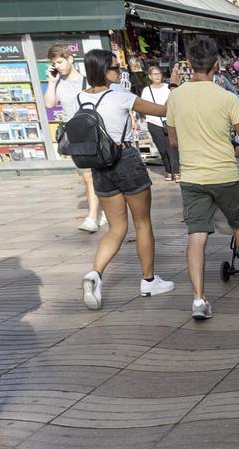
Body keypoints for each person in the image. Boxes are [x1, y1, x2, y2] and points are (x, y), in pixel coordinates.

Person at [166, 37, 239, 320]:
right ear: (216, 65)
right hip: (226, 175)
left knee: (196, 236)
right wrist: (234, 149)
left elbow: (173, 141)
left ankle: (199, 300)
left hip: (192, 178)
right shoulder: (226, 98)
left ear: (190, 65)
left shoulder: (175, 97)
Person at [75, 49, 175, 311]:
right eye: (114, 68)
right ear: (102, 71)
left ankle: (95, 274)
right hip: (125, 160)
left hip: (99, 167)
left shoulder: (79, 97)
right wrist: (174, 86)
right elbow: (163, 109)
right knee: (142, 223)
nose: (119, 72)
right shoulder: (120, 96)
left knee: (116, 228)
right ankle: (148, 280)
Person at [44, 44, 104, 233]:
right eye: (55, 63)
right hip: (75, 135)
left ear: (70, 59)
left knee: (98, 175)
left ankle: (97, 214)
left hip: (93, 132)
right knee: (88, 176)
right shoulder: (58, 83)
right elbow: (49, 104)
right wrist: (52, 83)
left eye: (60, 61)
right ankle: (94, 216)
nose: (58, 66)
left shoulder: (88, 81)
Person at [140, 65, 179, 182]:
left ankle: (176, 171)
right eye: (154, 74)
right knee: (162, 149)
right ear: (150, 76)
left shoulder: (168, 87)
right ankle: (168, 170)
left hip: (169, 121)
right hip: (154, 122)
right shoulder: (147, 90)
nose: (157, 76)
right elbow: (144, 106)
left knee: (172, 147)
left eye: (159, 74)